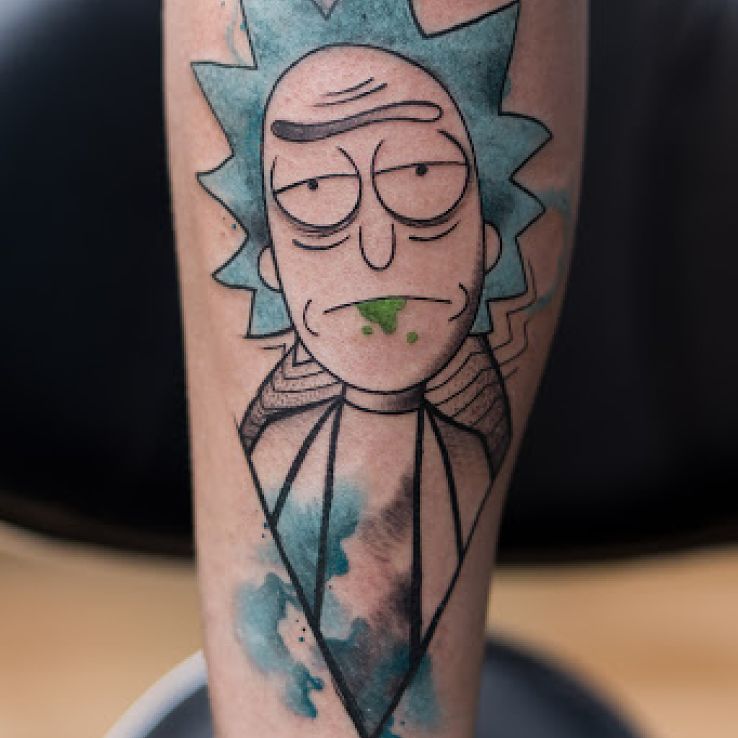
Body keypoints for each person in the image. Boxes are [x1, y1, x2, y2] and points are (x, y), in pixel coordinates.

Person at [165, 1, 587, 737]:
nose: (377, 248)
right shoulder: (279, 454)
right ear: (270, 264)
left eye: (421, 178)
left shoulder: (462, 452)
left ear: (488, 241)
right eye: (315, 194)